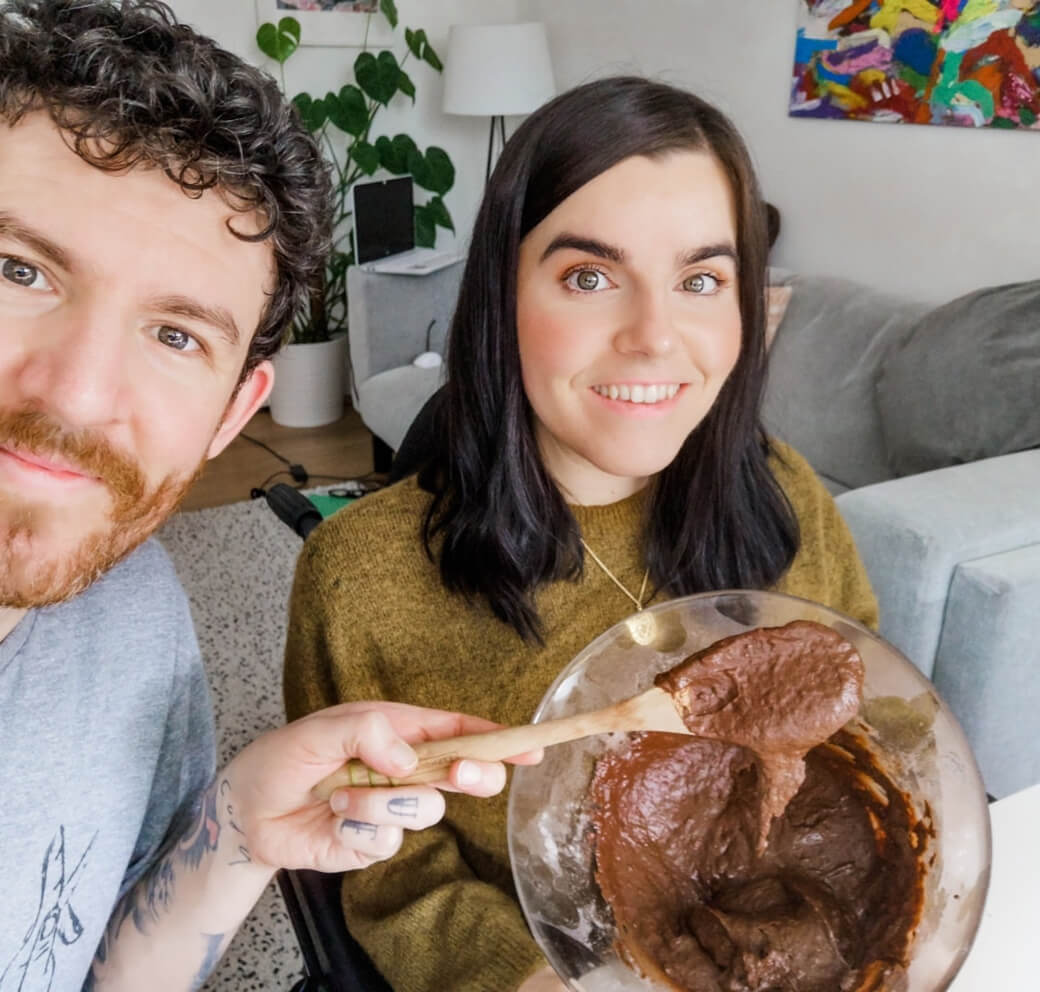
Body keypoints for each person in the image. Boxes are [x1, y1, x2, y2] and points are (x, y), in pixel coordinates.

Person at [0, 2, 536, 989]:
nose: (77, 395)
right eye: (19, 269)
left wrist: (242, 826)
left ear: (231, 413)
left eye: (175, 335)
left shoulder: (135, 603)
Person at [283, 76, 880, 992]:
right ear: (501, 295)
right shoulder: (359, 580)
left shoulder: (785, 495)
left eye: (700, 280)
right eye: (589, 277)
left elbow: (874, 713)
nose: (652, 336)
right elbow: (379, 859)